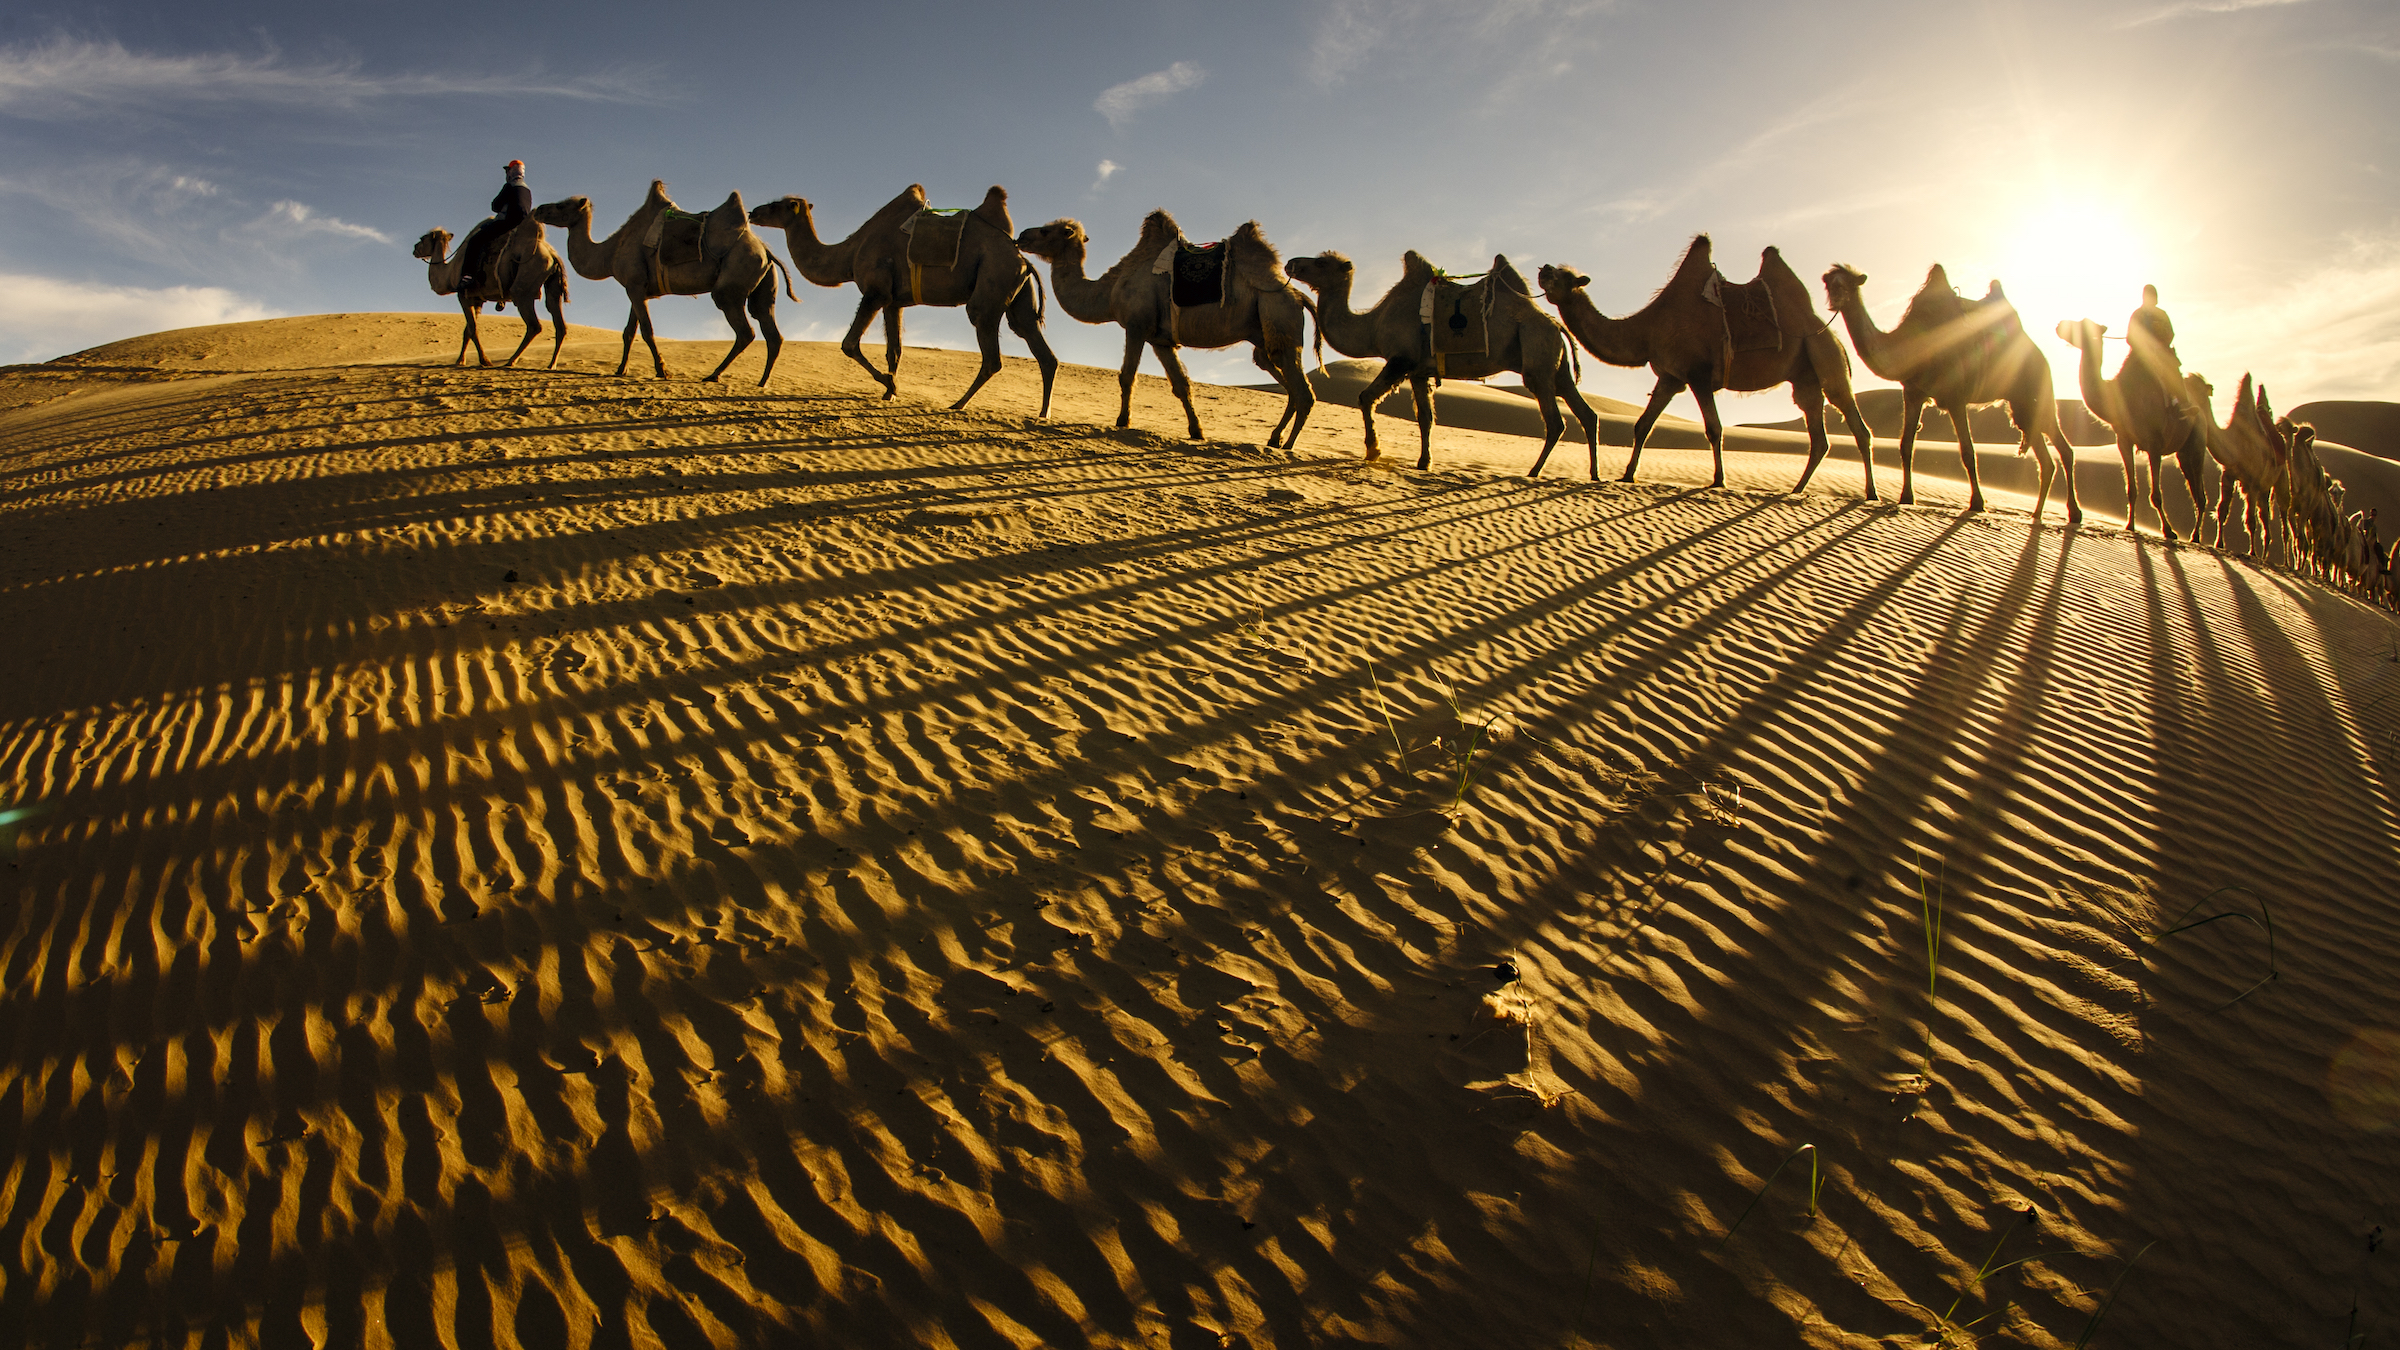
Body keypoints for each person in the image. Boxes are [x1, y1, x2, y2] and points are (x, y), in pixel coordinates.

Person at [457, 160, 532, 304]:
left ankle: (468, 276)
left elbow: (495, 206)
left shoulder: (509, 186)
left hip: (506, 223)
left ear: (511, 172)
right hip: (521, 227)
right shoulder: (526, 189)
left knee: (475, 241)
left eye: (508, 171)